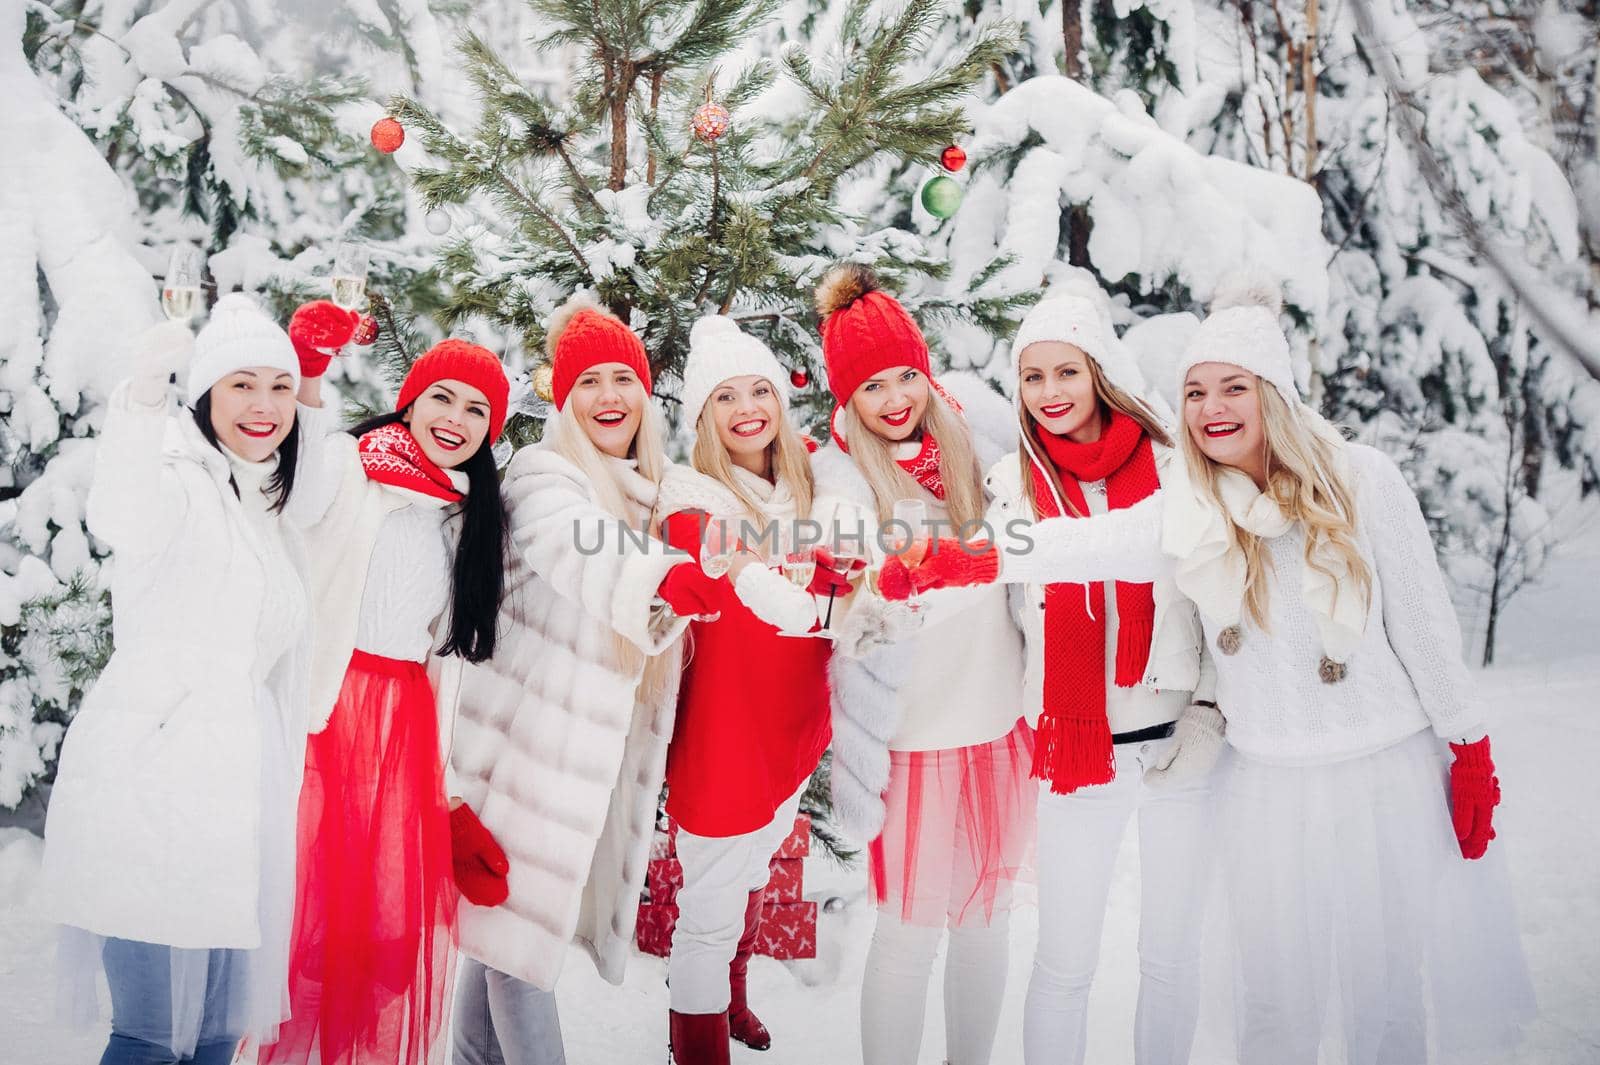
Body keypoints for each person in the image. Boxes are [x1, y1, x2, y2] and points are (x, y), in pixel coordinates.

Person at [891, 282, 1536, 1065]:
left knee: (1385, 986)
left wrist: (1467, 743)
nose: (1210, 407)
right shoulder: (1199, 498)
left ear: (1274, 393)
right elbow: (1101, 543)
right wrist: (976, 556)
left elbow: (1428, 629)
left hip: (1373, 773)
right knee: (1271, 996)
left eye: (1233, 387)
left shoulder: (1360, 478)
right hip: (1264, 778)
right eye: (1195, 391)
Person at [444, 296, 721, 1065]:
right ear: (564, 401)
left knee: (499, 956)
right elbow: (583, 549)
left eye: (622, 379)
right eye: (589, 383)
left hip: (567, 779)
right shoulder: (544, 478)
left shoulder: (649, 494)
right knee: (521, 964)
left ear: (645, 393)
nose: (608, 397)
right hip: (522, 770)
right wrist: (662, 580)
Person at [42, 295, 315, 1064]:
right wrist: (141, 398)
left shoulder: (262, 501)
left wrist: (319, 373)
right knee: (153, 1033)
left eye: (280, 386)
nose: (264, 405)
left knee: (219, 1034)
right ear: (202, 393)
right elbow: (120, 514)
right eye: (240, 384)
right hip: (155, 779)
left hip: (239, 796)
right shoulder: (175, 475)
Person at [261, 312, 511, 1065]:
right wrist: (308, 370)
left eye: (477, 410)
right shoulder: (350, 464)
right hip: (326, 708)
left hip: (404, 725)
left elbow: (454, 659)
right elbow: (294, 483)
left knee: (387, 936)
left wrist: (450, 794)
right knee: (307, 922)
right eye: (443, 398)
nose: (457, 420)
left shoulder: (470, 514)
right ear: (410, 400)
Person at [984, 281, 1218, 1065]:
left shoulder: (1175, 468)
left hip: (1179, 746)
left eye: (1067, 372)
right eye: (1033, 376)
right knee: (1063, 961)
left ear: (1100, 374)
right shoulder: (1011, 487)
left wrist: (1211, 710)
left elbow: (1223, 602)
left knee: (1172, 954)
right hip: (1073, 754)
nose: (1050, 392)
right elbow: (999, 622)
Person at [807, 264, 1032, 1065]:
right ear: (846, 399)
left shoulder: (977, 435)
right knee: (908, 932)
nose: (897, 397)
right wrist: (952, 568)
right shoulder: (840, 478)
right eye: (873, 386)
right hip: (914, 736)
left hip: (997, 718)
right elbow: (868, 591)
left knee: (987, 921)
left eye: (908, 374)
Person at [652, 314, 836, 1065]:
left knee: (755, 868)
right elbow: (742, 572)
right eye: (725, 396)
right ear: (703, 416)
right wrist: (805, 593)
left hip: (791, 723)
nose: (748, 407)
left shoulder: (809, 483)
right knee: (708, 906)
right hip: (725, 733)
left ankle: (729, 997)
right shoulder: (688, 493)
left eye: (760, 388)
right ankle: (693, 1045)